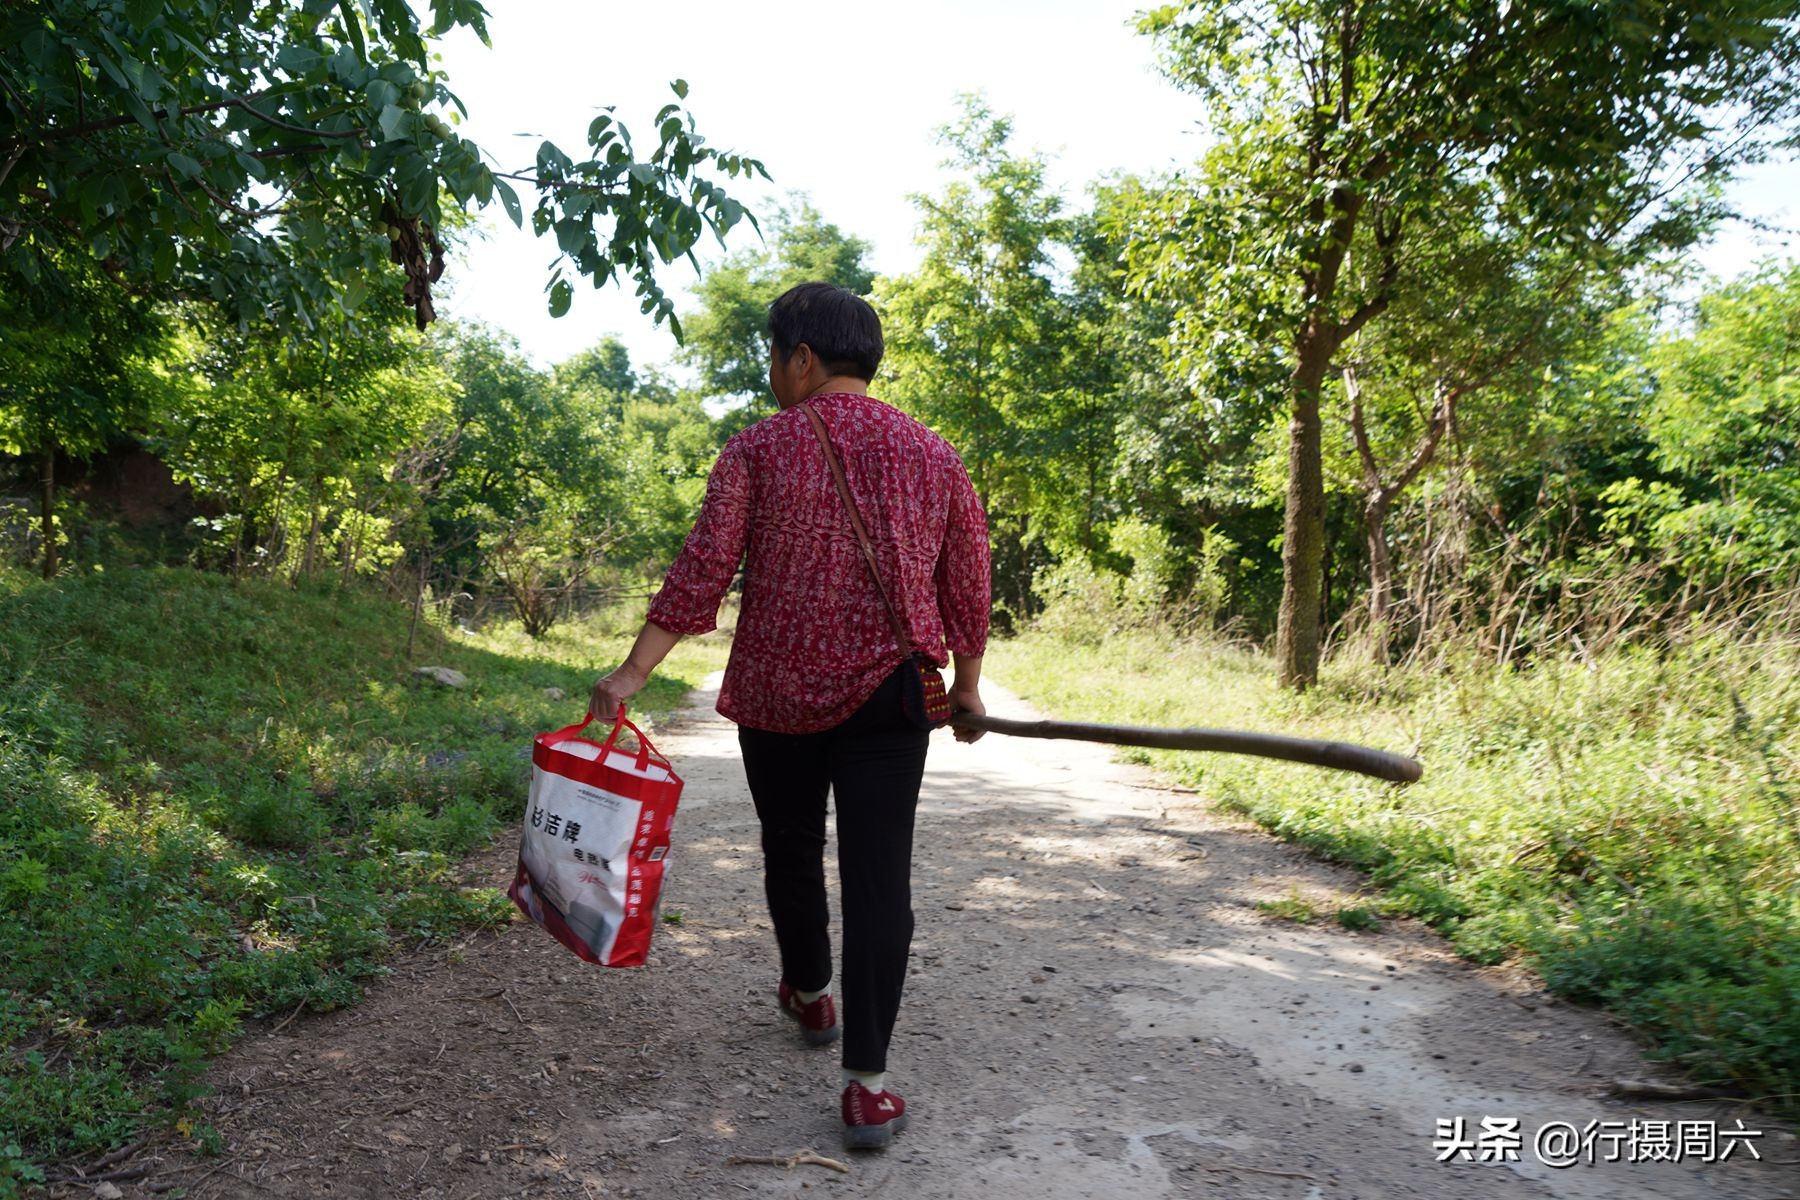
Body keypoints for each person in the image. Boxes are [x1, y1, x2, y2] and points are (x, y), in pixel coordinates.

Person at [588, 281, 991, 1151]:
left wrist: (632, 674)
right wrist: (967, 681)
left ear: (801, 358)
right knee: (882, 876)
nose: (774, 375)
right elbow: (967, 579)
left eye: (775, 358)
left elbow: (704, 570)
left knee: (790, 846)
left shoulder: (758, 450)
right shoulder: (934, 453)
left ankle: (811, 993)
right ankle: (869, 1083)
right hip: (893, 691)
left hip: (779, 692)